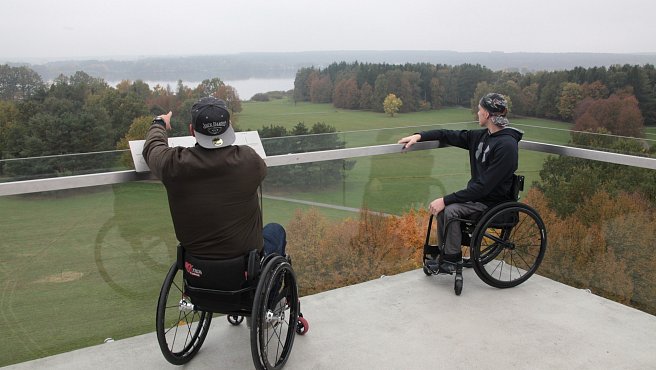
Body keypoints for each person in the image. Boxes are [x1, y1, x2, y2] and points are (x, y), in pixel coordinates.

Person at [142, 96, 286, 261]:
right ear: (229, 127)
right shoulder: (250, 160)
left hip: (197, 267)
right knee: (275, 230)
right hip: (245, 263)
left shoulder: (174, 164)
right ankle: (273, 286)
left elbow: (153, 147)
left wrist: (159, 122)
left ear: (192, 131)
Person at [397, 93, 522, 273]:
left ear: (487, 115)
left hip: (492, 203)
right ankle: (445, 256)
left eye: (479, 110)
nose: (477, 114)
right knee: (444, 209)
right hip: (478, 197)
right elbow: (446, 134)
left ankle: (452, 261)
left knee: (450, 210)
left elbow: (484, 187)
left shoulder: (507, 146)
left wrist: (446, 200)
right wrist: (418, 136)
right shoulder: (482, 136)